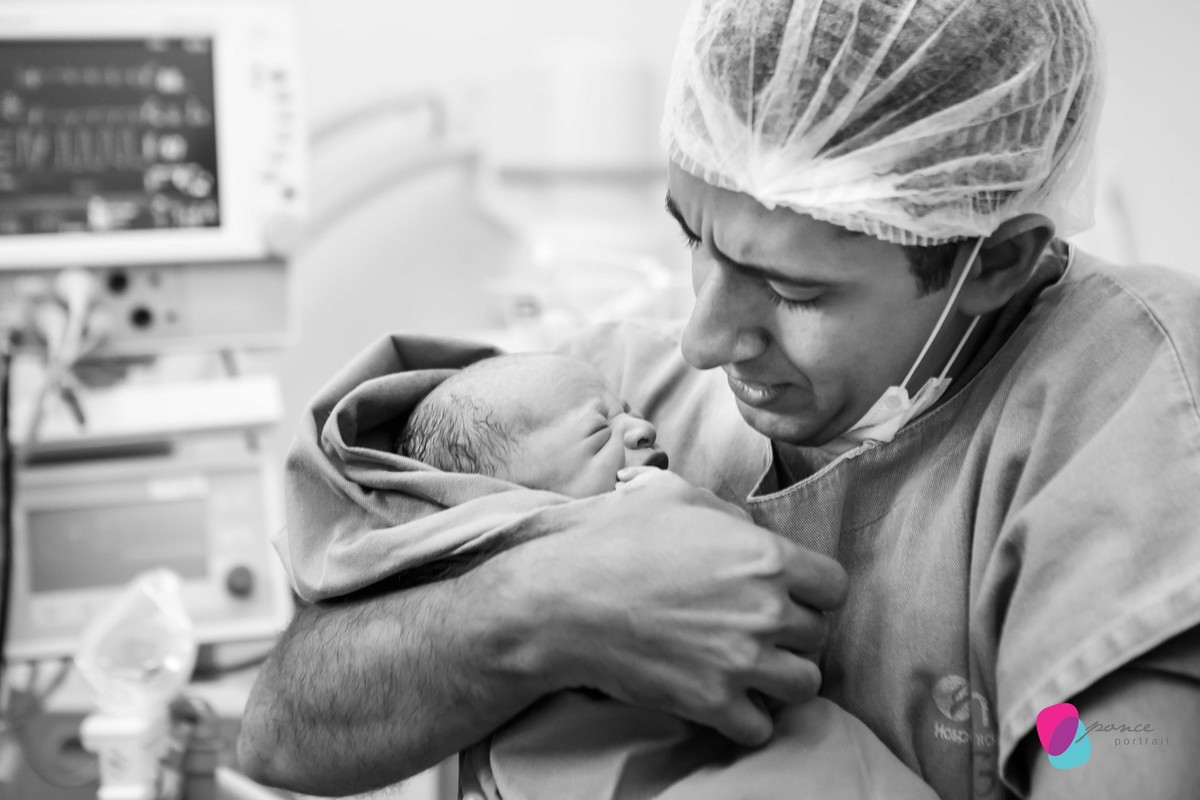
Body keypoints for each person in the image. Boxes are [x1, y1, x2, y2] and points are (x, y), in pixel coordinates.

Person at [239, 1, 1200, 798]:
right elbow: (284, 732)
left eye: (791, 290)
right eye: (694, 239)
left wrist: (1050, 716)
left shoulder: (1123, 403)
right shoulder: (607, 394)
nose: (702, 338)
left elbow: (1108, 752)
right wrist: (544, 607)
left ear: (995, 262)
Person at [300, 348, 938, 799]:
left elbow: (763, 601)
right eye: (599, 430)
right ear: (498, 496)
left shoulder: (660, 508)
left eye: (627, 410)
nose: (641, 424)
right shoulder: (470, 565)